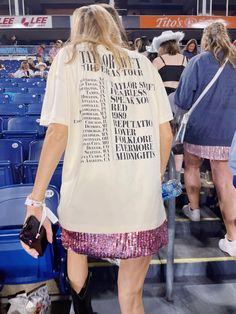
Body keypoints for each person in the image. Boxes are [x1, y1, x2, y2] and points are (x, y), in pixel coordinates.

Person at [21, 4, 173, 314]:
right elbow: (167, 135)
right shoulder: (143, 63)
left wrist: (35, 201)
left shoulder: (69, 58)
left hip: (88, 196)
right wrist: (152, 181)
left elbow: (57, 133)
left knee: (76, 247)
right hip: (140, 203)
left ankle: (82, 307)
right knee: (132, 298)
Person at [174, 22, 236, 256]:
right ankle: (232, 237)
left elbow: (181, 99)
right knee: (225, 182)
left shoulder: (197, 62)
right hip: (229, 132)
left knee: (192, 167)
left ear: (205, 39)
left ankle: (194, 208)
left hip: (199, 130)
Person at [152, 30, 187, 181]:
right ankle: (177, 176)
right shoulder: (185, 59)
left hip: (164, 101)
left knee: (164, 135)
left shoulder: (158, 61)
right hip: (181, 102)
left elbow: (151, 84)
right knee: (178, 138)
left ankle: (162, 171)